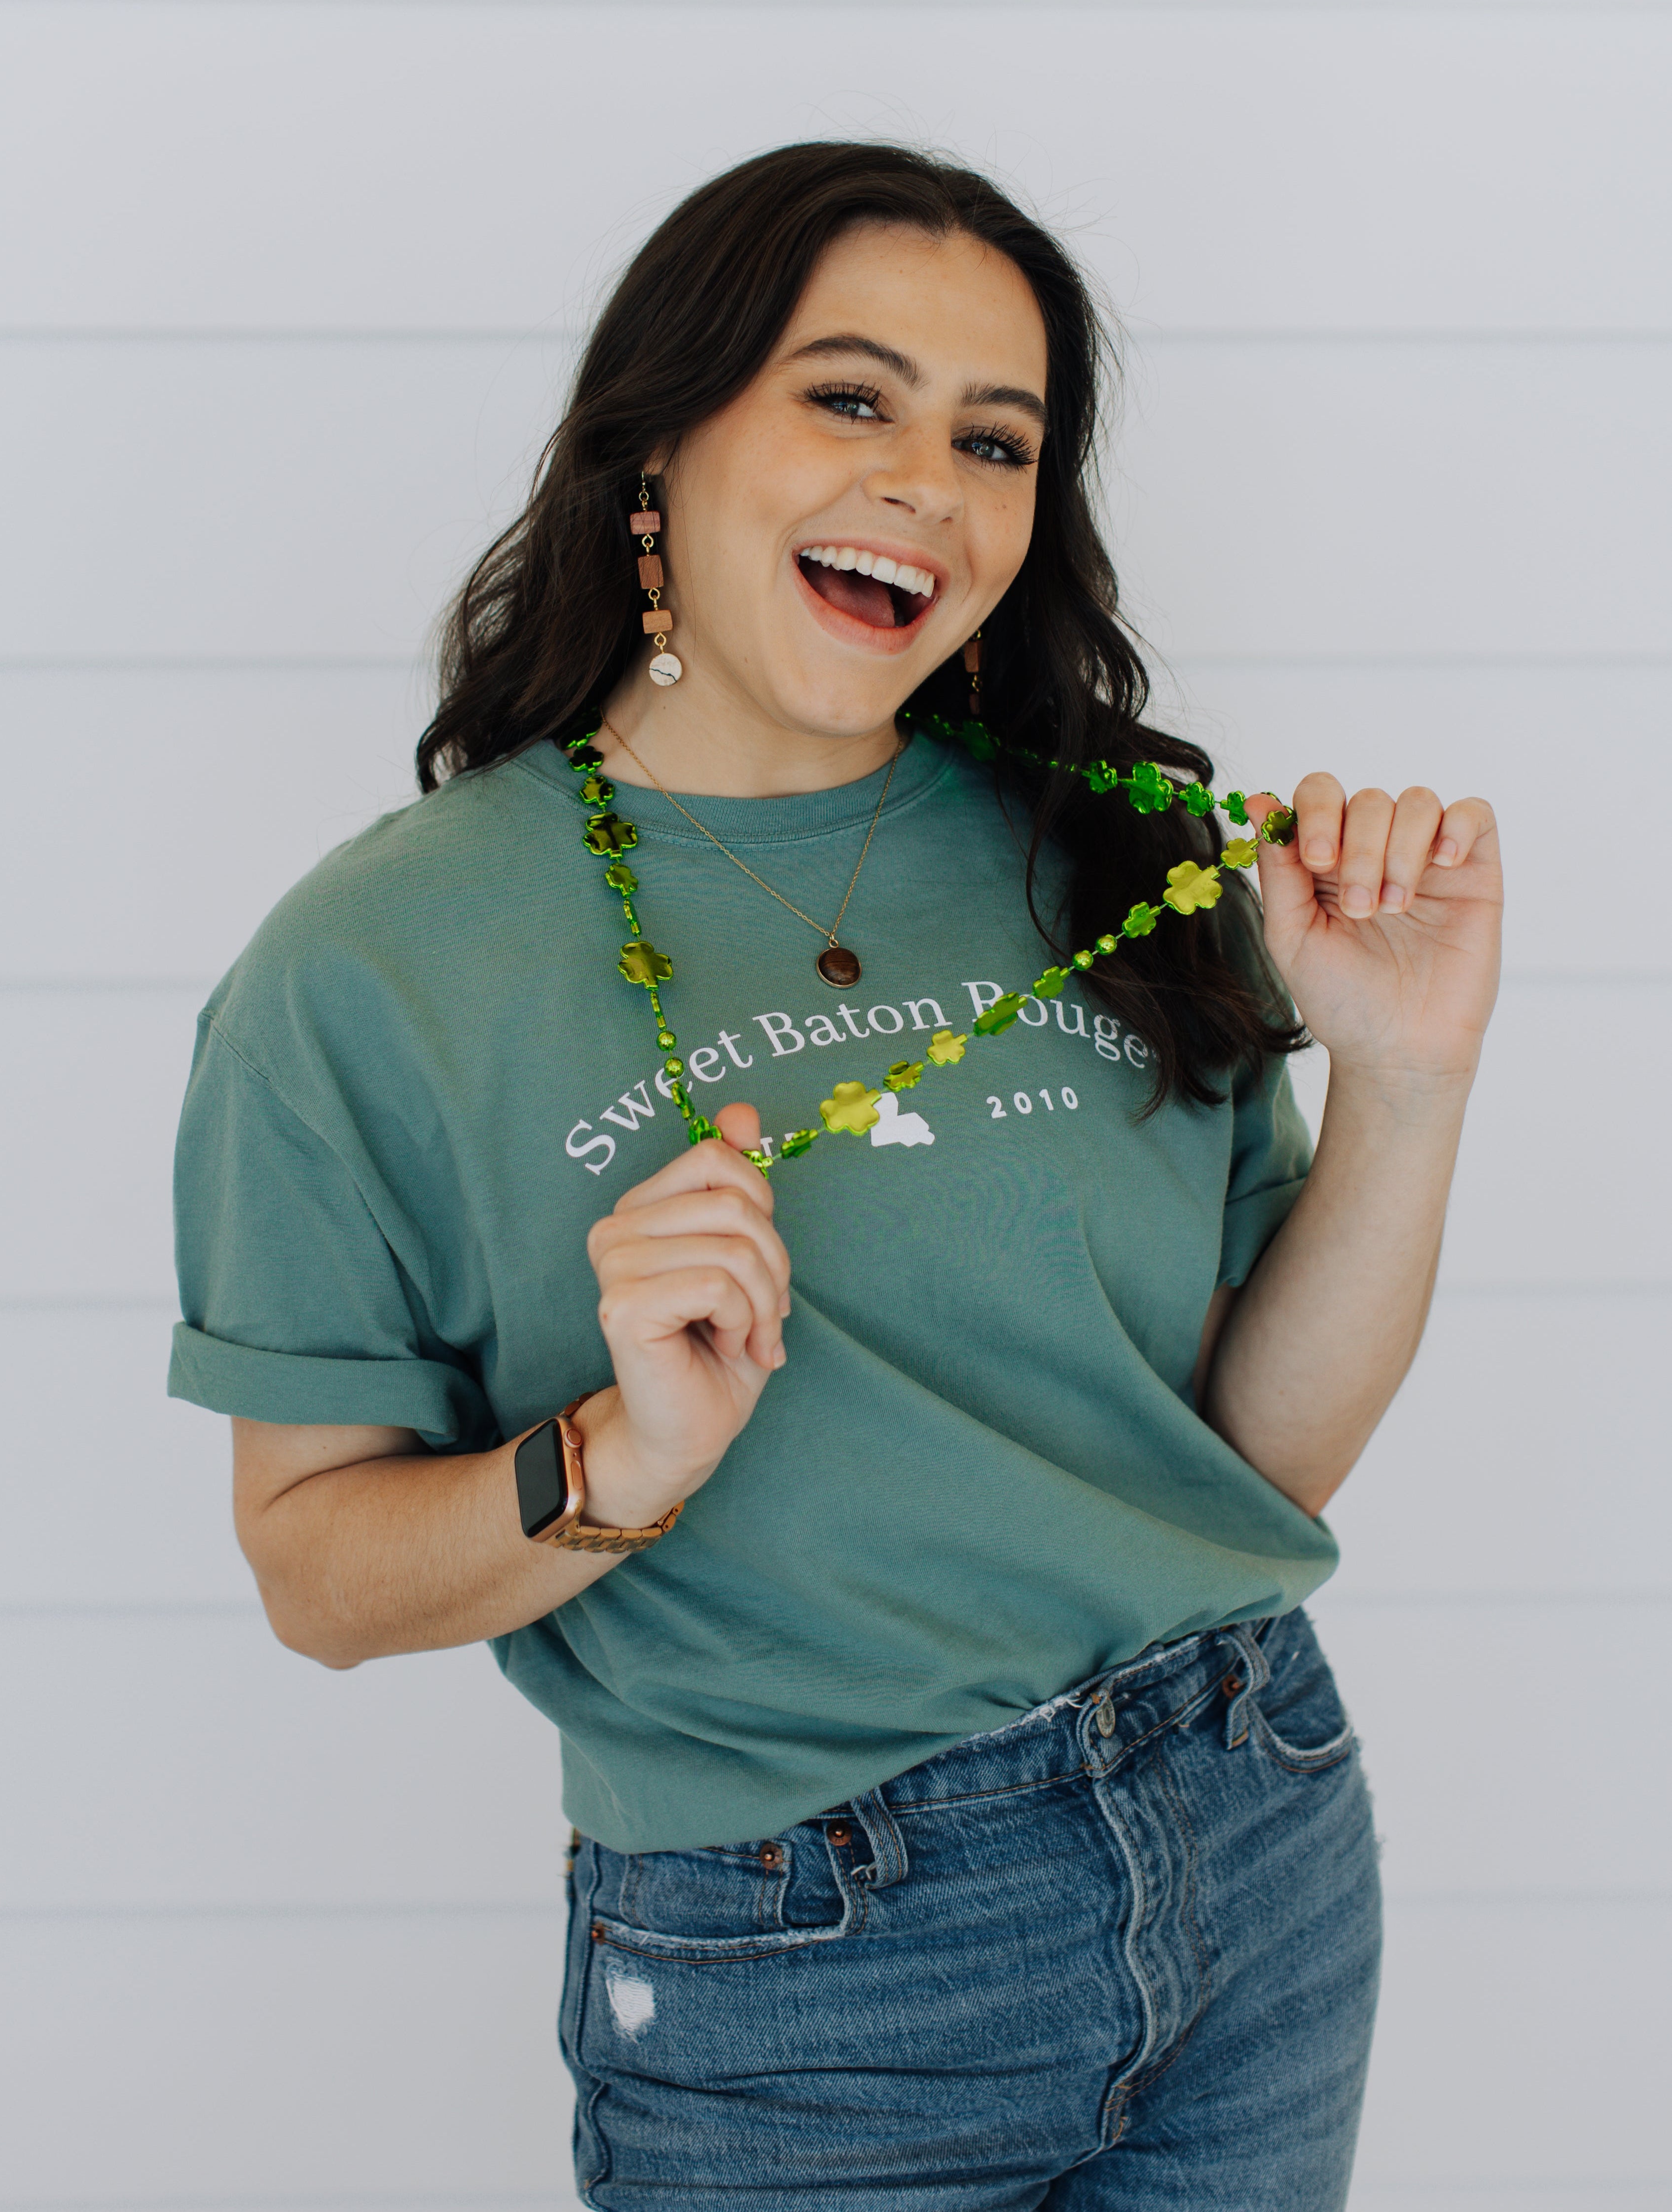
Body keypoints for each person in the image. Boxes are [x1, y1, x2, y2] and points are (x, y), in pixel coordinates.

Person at [169, 143, 1502, 2209]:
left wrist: (1411, 1083)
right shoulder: (367, 970)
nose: (932, 486)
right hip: (815, 1968)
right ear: (661, 445)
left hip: (1255, 1816)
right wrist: (618, 1458)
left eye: (998, 438)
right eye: (849, 397)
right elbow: (311, 1571)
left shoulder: (1122, 858)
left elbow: (1261, 1458)